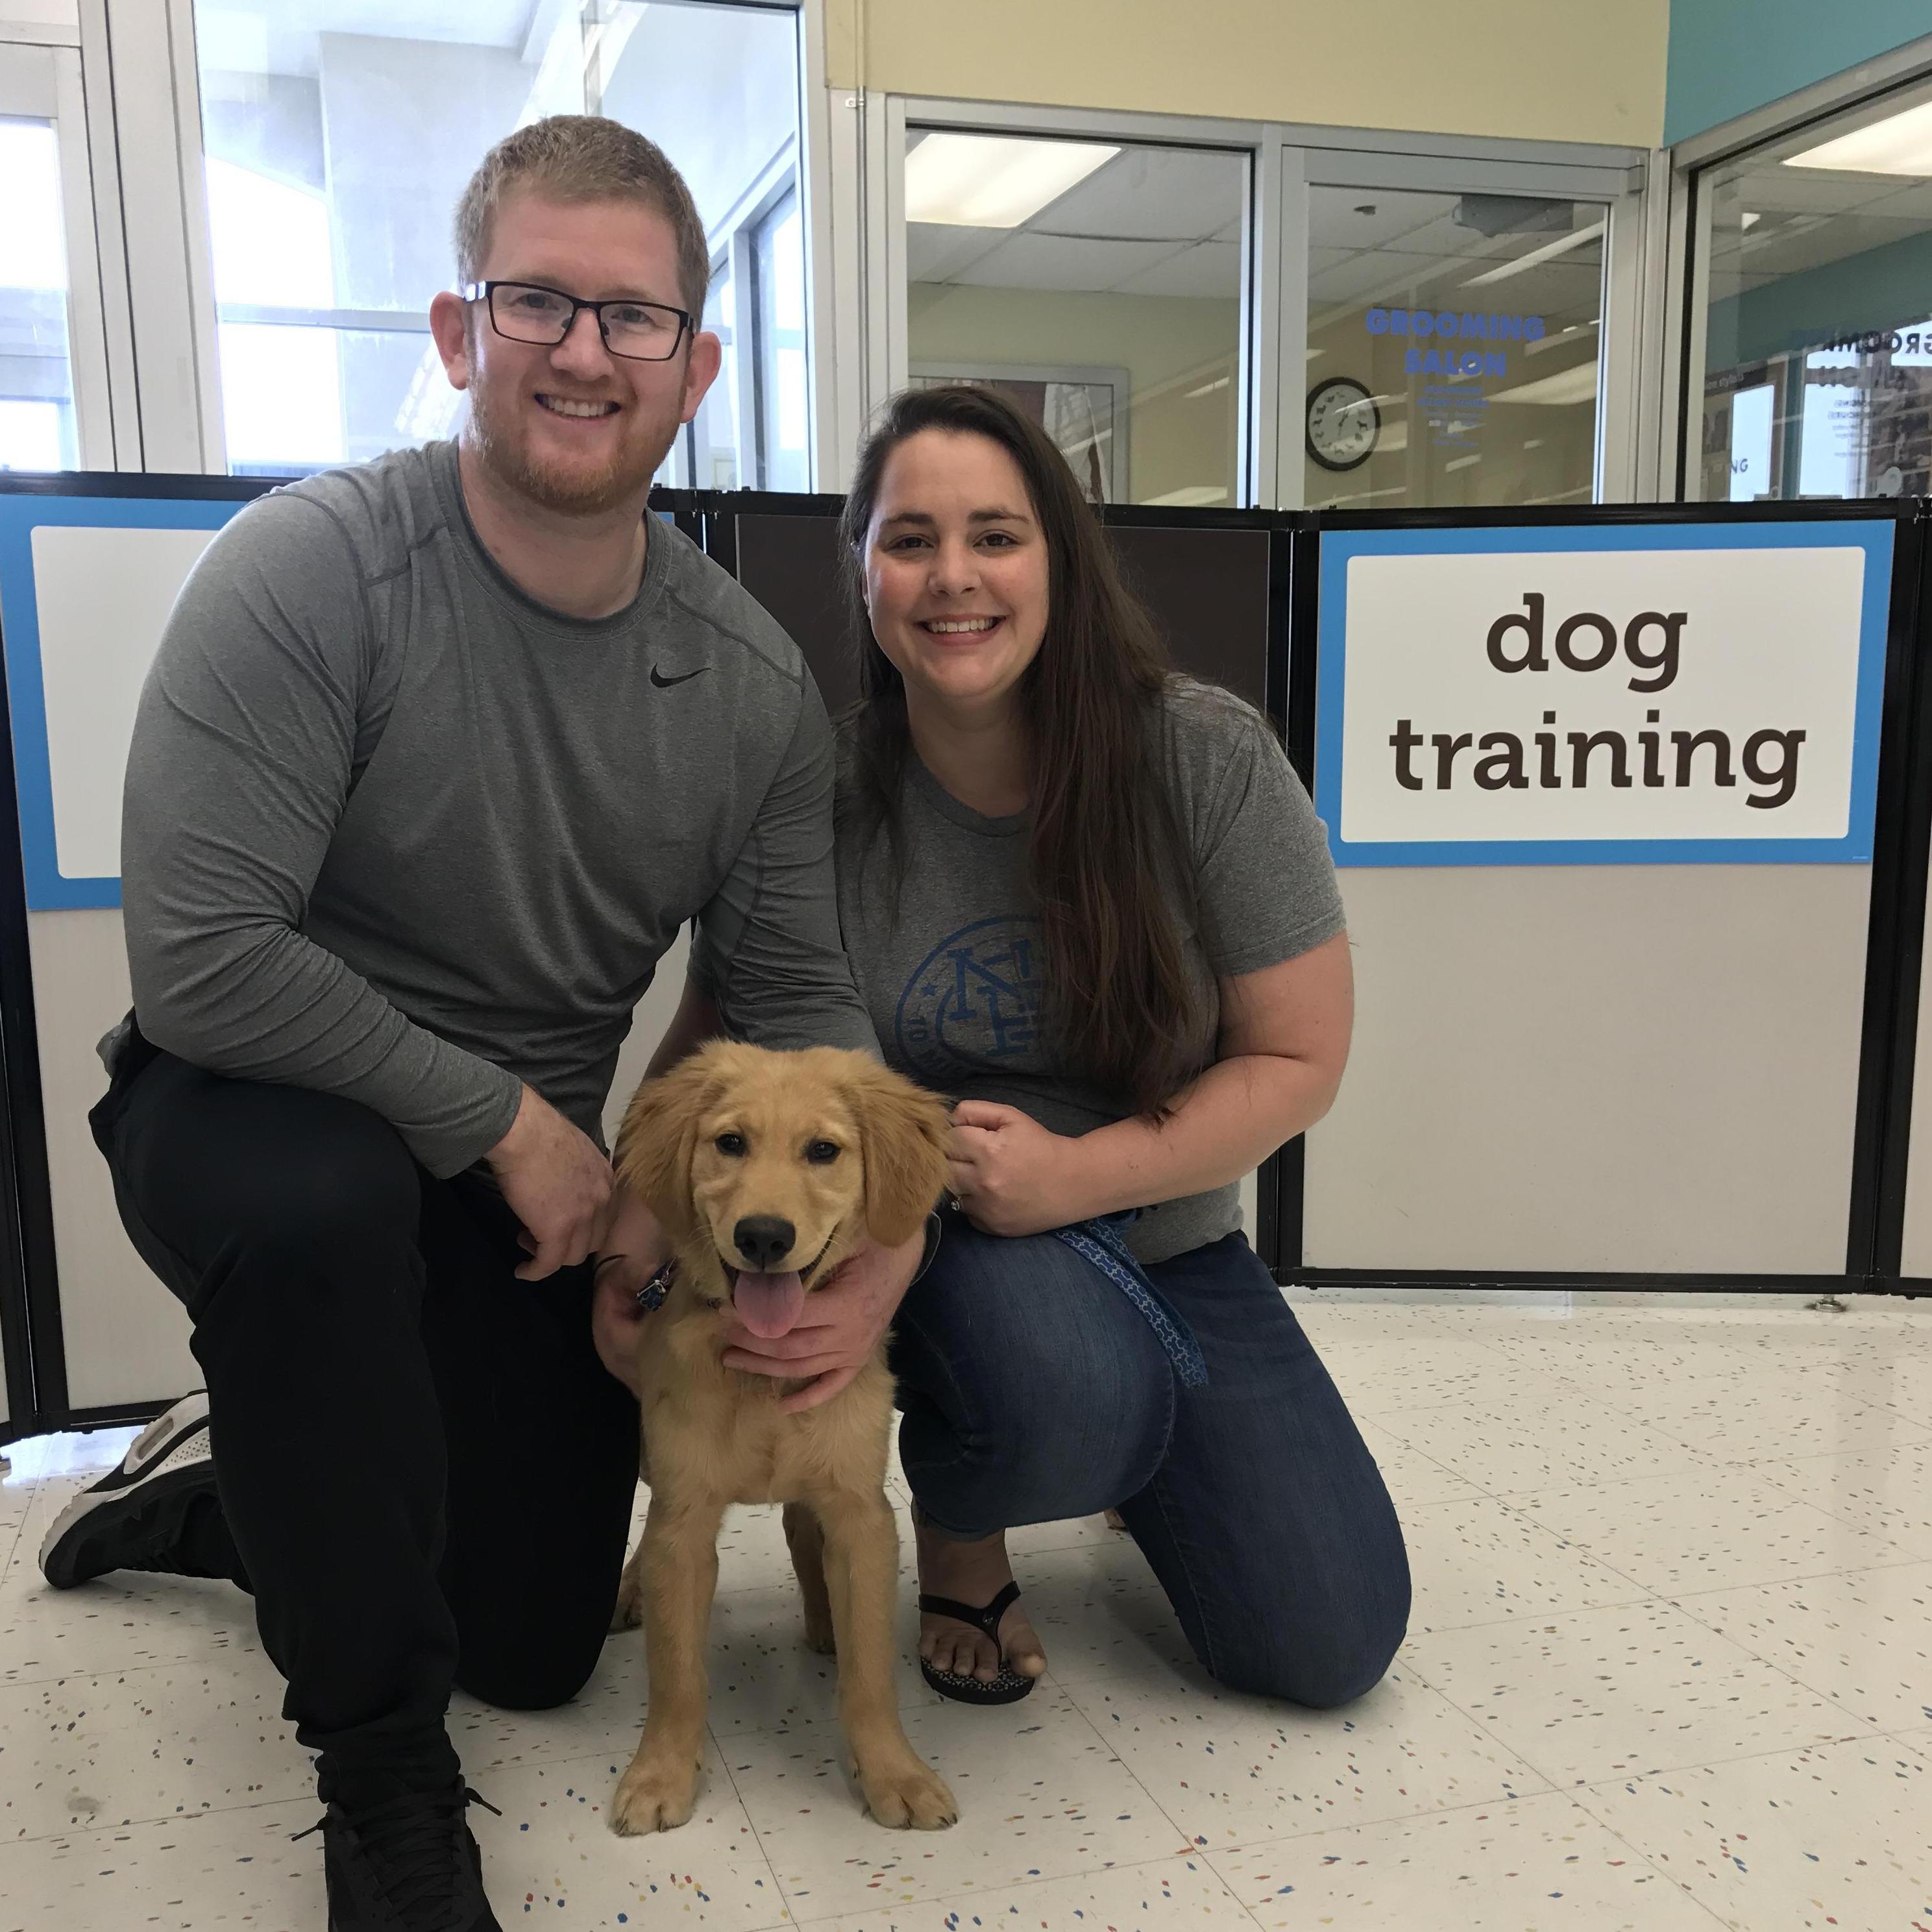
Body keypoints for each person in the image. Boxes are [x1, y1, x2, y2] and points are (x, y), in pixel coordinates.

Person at [37, 118, 925, 1932]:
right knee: (323, 1209)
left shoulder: (750, 688)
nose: (585, 352)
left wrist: (790, 1238)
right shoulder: (311, 572)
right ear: (458, 332)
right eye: (538, 302)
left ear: (695, 366)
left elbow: (800, 1002)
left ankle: (247, 1506)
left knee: (531, 1644)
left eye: (632, 316)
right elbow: (204, 957)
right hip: (247, 1102)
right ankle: (383, 1792)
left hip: (520, 1185)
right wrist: (519, 1129)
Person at [700, 384, 1410, 1704]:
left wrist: (1078, 1177)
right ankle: (967, 1521)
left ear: (1060, 559)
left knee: (1326, 1643)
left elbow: (1298, 1058)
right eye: (909, 539)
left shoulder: (1202, 757)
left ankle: (1120, 1427)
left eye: (996, 535)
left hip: (1163, 1232)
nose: (952, 576)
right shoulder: (819, 799)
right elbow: (736, 1041)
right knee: (1062, 1392)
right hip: (930, 1237)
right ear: (860, 570)